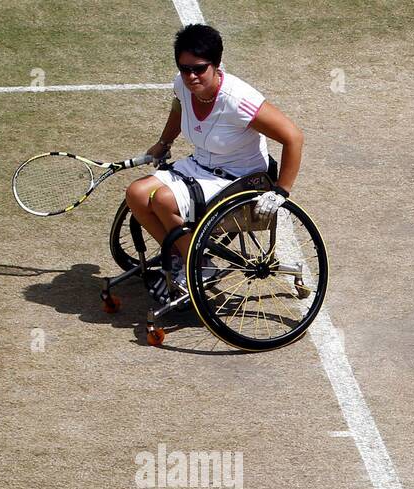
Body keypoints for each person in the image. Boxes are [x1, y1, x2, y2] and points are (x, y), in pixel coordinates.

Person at [125, 23, 304, 306]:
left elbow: (293, 137)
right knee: (135, 193)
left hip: (239, 178)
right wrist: (163, 144)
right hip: (200, 166)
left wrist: (282, 191)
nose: (191, 76)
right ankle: (187, 258)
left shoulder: (238, 101)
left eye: (199, 68)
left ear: (216, 65)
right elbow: (178, 107)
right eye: (185, 69)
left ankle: (196, 265)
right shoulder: (182, 85)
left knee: (162, 199)